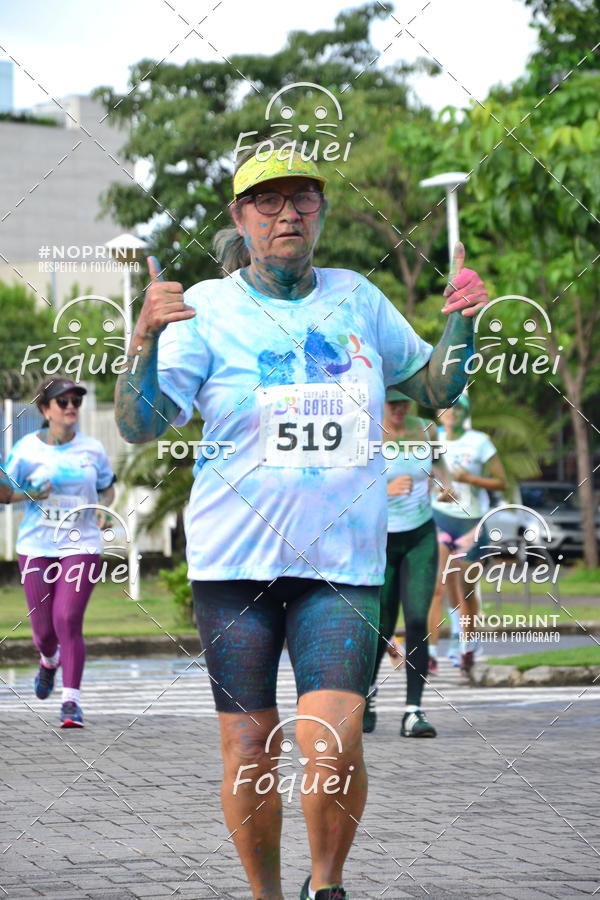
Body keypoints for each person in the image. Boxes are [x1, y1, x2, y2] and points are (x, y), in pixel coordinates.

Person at [115, 145, 488, 900]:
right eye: (268, 201)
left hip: (341, 565)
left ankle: (328, 886)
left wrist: (462, 326)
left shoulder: (358, 298)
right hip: (233, 566)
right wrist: (144, 342)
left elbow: (433, 384)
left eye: (303, 199)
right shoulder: (203, 310)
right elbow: (140, 423)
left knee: (332, 742)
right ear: (240, 216)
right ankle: (267, 895)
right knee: (250, 746)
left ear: (320, 211)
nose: (288, 213)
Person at [1, 376, 116, 727]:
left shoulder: (93, 449)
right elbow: (4, 492)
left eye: (75, 401)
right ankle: (48, 660)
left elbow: (107, 488)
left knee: (67, 619)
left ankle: (71, 702)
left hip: (81, 543)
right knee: (44, 632)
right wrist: (27, 494)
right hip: (37, 545)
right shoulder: (26, 449)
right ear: (45, 409)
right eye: (62, 402)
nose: (70, 407)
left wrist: (103, 510)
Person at [363, 388, 452, 738]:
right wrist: (382, 489)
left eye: (405, 401)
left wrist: (445, 487)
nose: (399, 408)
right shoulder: (367, 431)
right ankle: (367, 696)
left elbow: (441, 469)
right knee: (382, 623)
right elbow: (348, 485)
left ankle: (413, 712)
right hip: (382, 539)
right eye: (392, 402)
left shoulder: (427, 430)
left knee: (417, 619)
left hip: (420, 536)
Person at [428, 394, 508, 674]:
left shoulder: (479, 441)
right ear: (439, 412)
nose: (452, 412)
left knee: (465, 589)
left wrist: (468, 479)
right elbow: (423, 478)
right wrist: (438, 490)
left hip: (471, 522)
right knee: (438, 586)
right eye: (447, 407)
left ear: (465, 412)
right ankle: (431, 654)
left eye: (458, 408)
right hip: (440, 518)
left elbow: (501, 482)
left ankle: (467, 644)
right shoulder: (432, 440)